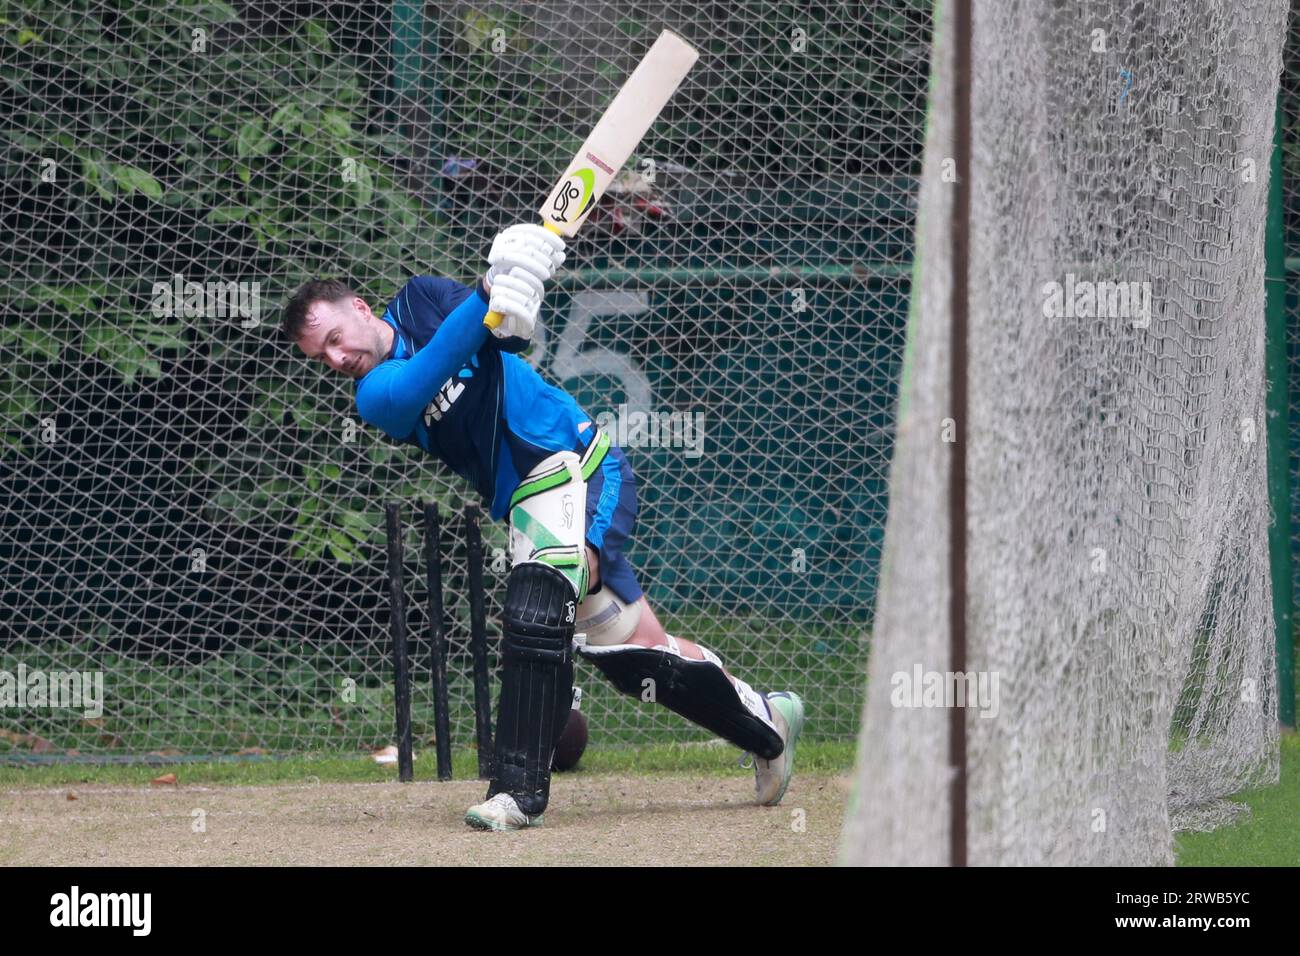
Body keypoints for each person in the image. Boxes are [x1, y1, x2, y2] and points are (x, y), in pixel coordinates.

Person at [280, 223, 805, 831]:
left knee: (535, 606)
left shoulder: (424, 296)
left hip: (579, 464)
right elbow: (435, 366)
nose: (339, 359)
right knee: (636, 659)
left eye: (337, 339)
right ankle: (767, 722)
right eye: (324, 358)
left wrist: (512, 303)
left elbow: (502, 337)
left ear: (361, 309)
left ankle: (517, 792)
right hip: (532, 502)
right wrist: (489, 289)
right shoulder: (376, 395)